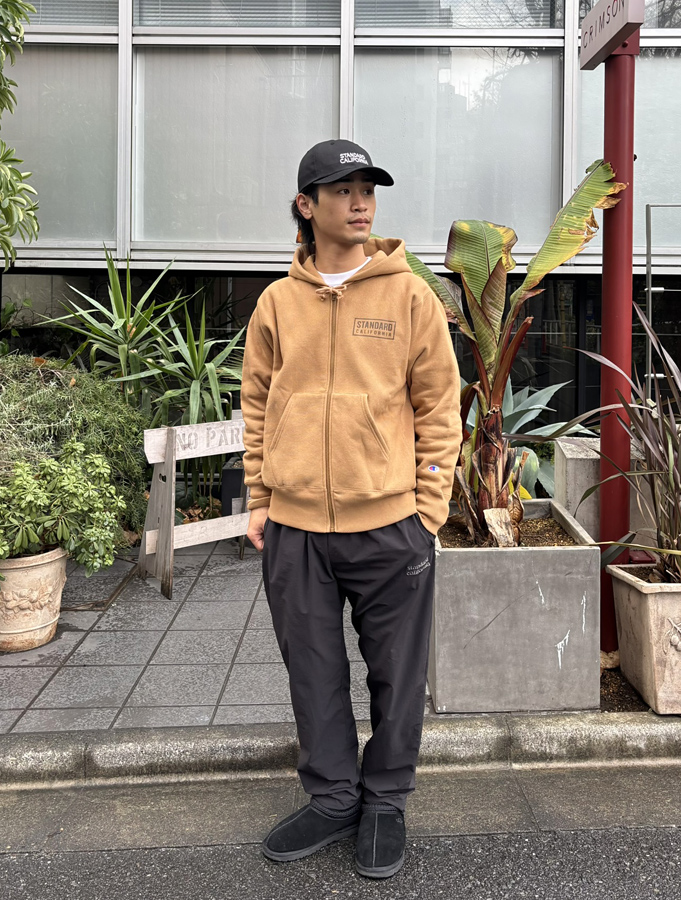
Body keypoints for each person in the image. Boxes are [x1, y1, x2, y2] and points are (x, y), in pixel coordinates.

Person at [240, 139, 461, 879]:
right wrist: (261, 498)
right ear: (306, 206)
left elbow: (440, 407)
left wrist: (428, 508)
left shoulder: (409, 296)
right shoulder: (276, 304)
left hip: (392, 525)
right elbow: (256, 405)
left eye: (367, 189)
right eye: (342, 190)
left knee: (398, 675)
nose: (360, 202)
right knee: (312, 672)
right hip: (297, 527)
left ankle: (386, 802)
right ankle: (334, 798)